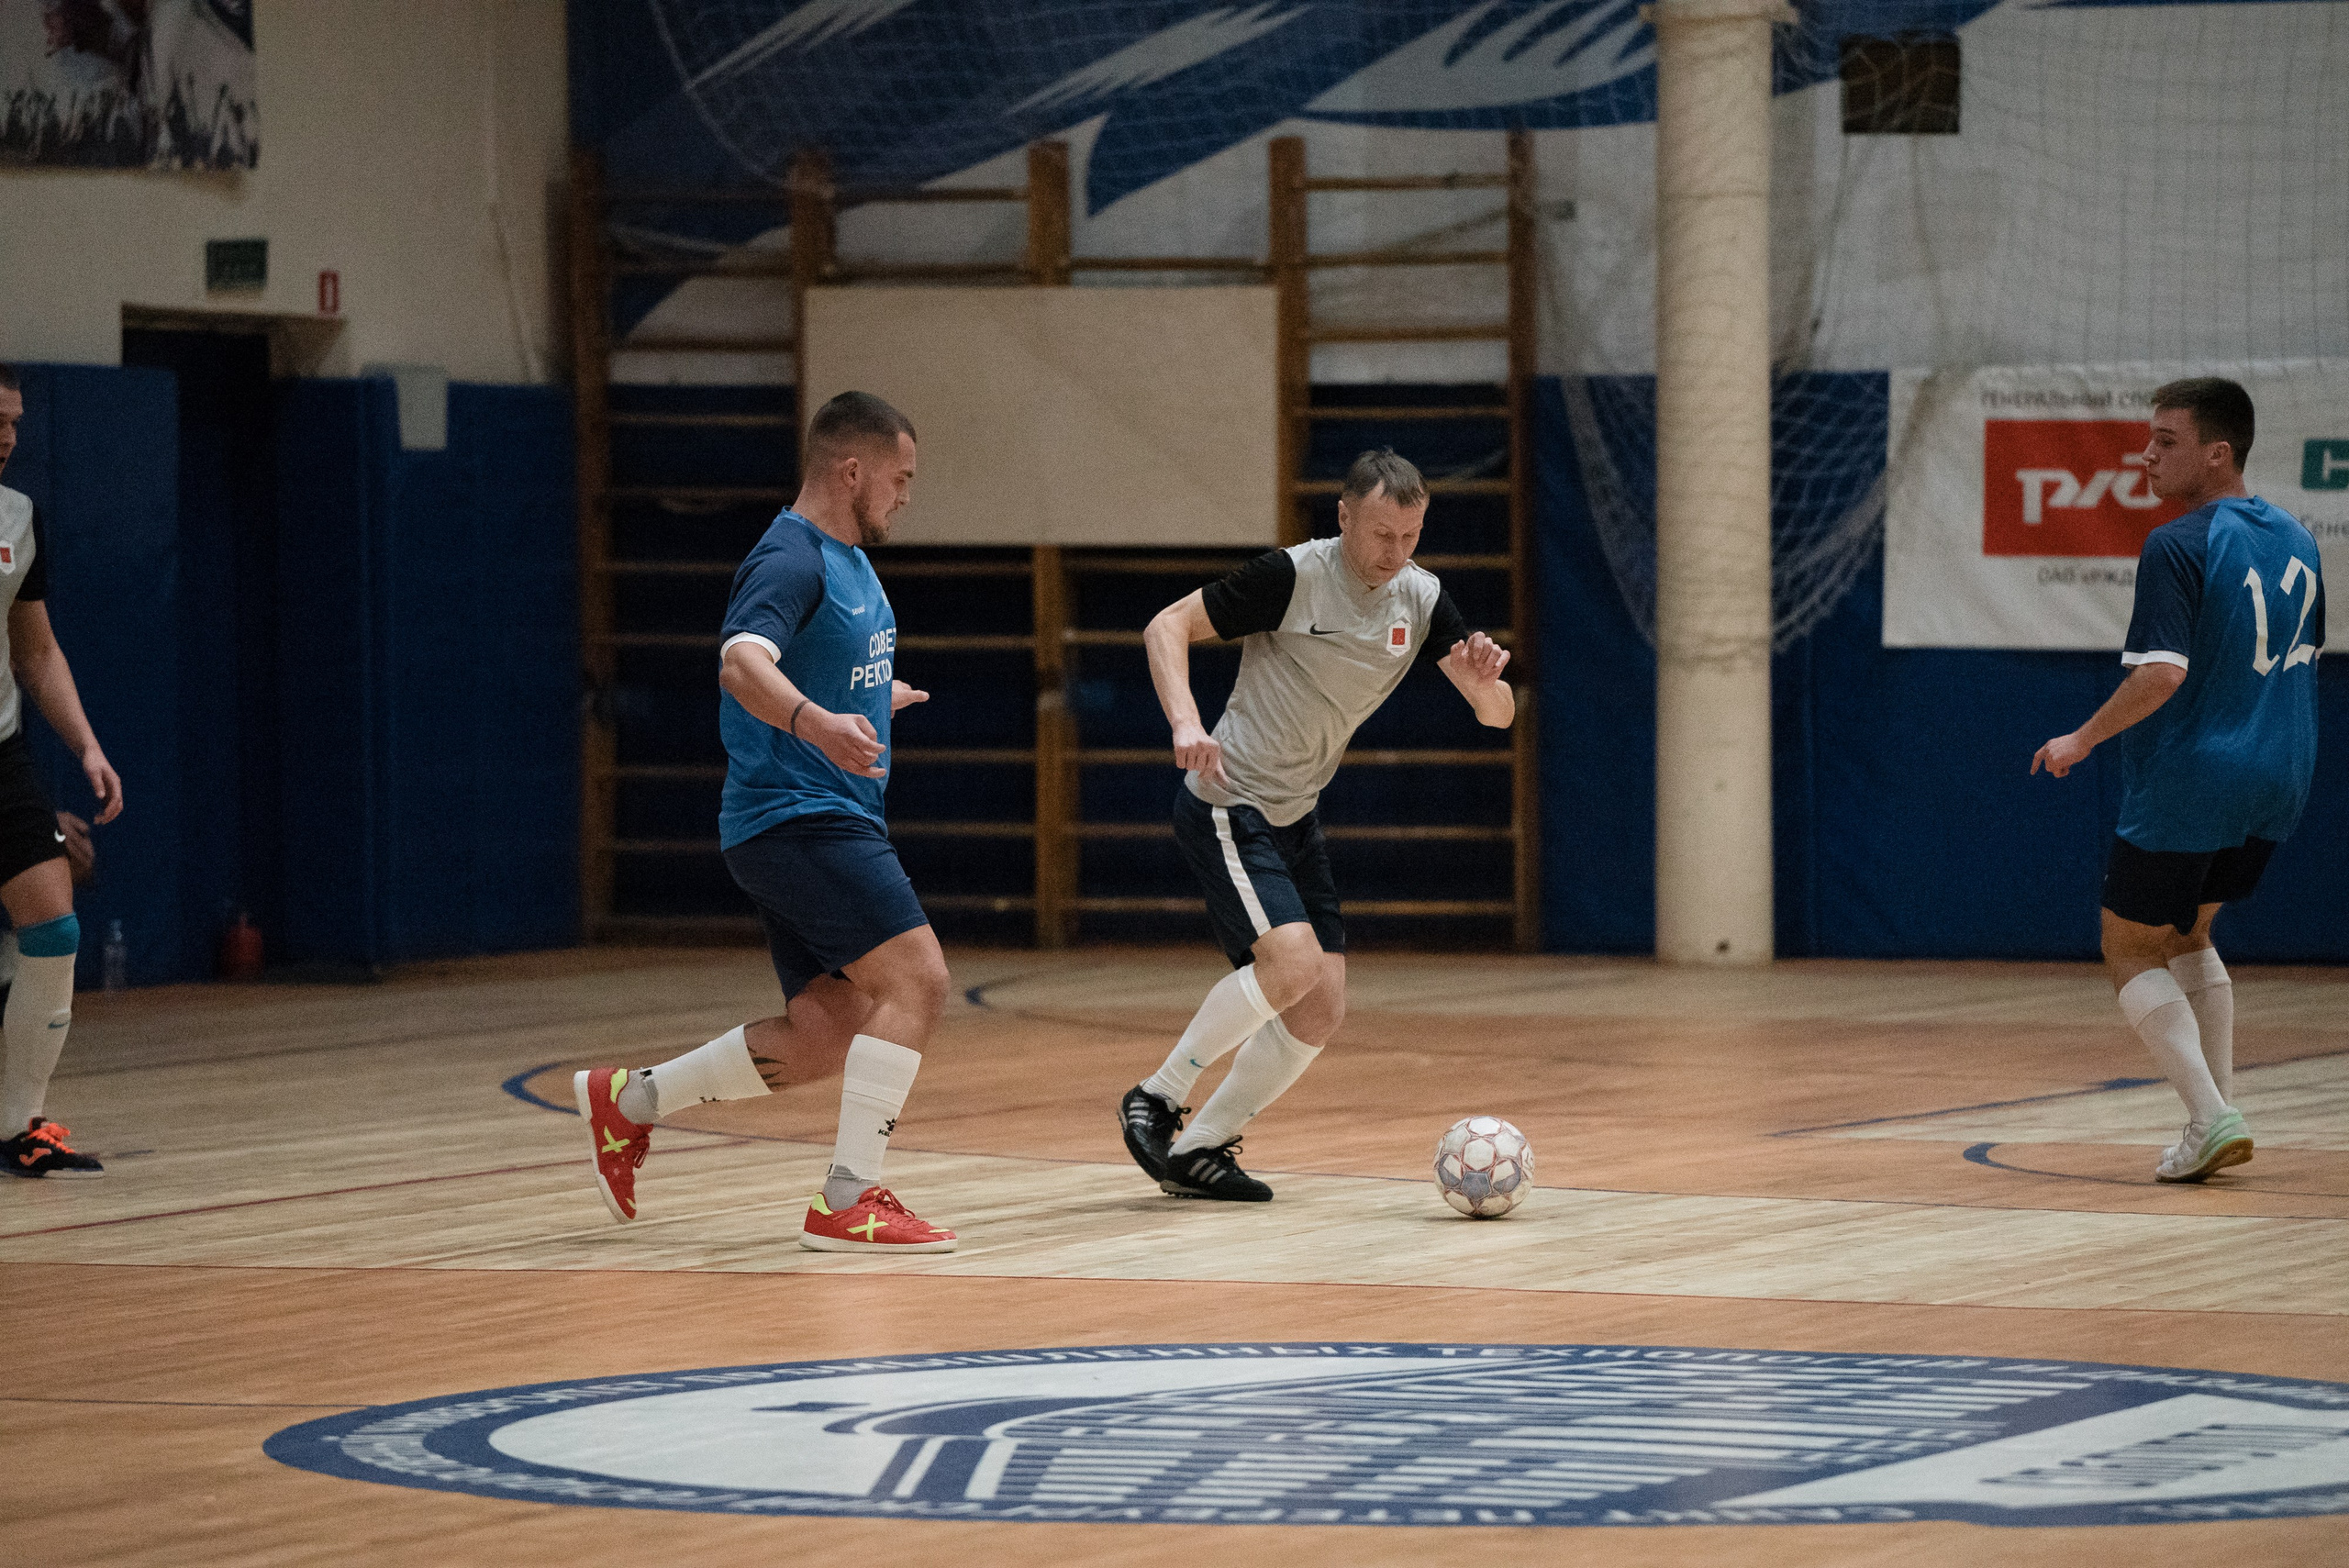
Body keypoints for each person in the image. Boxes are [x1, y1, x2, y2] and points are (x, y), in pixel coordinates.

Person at [575, 391, 956, 1251]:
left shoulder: (851, 559)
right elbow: (743, 664)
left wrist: (864, 700)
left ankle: (627, 1103)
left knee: (823, 1035)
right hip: (799, 816)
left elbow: (811, 667)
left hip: (808, 819)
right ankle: (847, 1197)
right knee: (919, 981)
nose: (905, 496)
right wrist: (816, 723)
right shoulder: (791, 557)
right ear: (849, 469)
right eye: (898, 479)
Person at [1118, 448, 1517, 1200]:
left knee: (1322, 1000)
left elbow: (1501, 718)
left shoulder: (1421, 599)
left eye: (1409, 537)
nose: (1392, 554)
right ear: (1342, 516)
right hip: (1228, 800)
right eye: (1378, 535)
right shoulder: (1292, 577)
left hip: (1295, 813)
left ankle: (1201, 1147)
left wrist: (1483, 688)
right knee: (1292, 965)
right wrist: (1183, 722)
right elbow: (1164, 626)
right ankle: (1159, 1096)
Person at [2032, 377, 2323, 1184]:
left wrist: (2082, 737)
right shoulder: (2300, 539)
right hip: (2284, 771)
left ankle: (2212, 1111)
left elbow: (2161, 673)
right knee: (2191, 932)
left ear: (2217, 453)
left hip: (2197, 774)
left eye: (2166, 440)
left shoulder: (2178, 542)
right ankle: (2214, 1118)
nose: (2147, 454)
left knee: (2127, 944)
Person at [0, 363, 127, 1178]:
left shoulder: (18, 516)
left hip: (0, 748)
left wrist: (86, 745)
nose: (7, 435)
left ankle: (19, 1123)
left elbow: (36, 651)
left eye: (13, 421)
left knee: (55, 924)